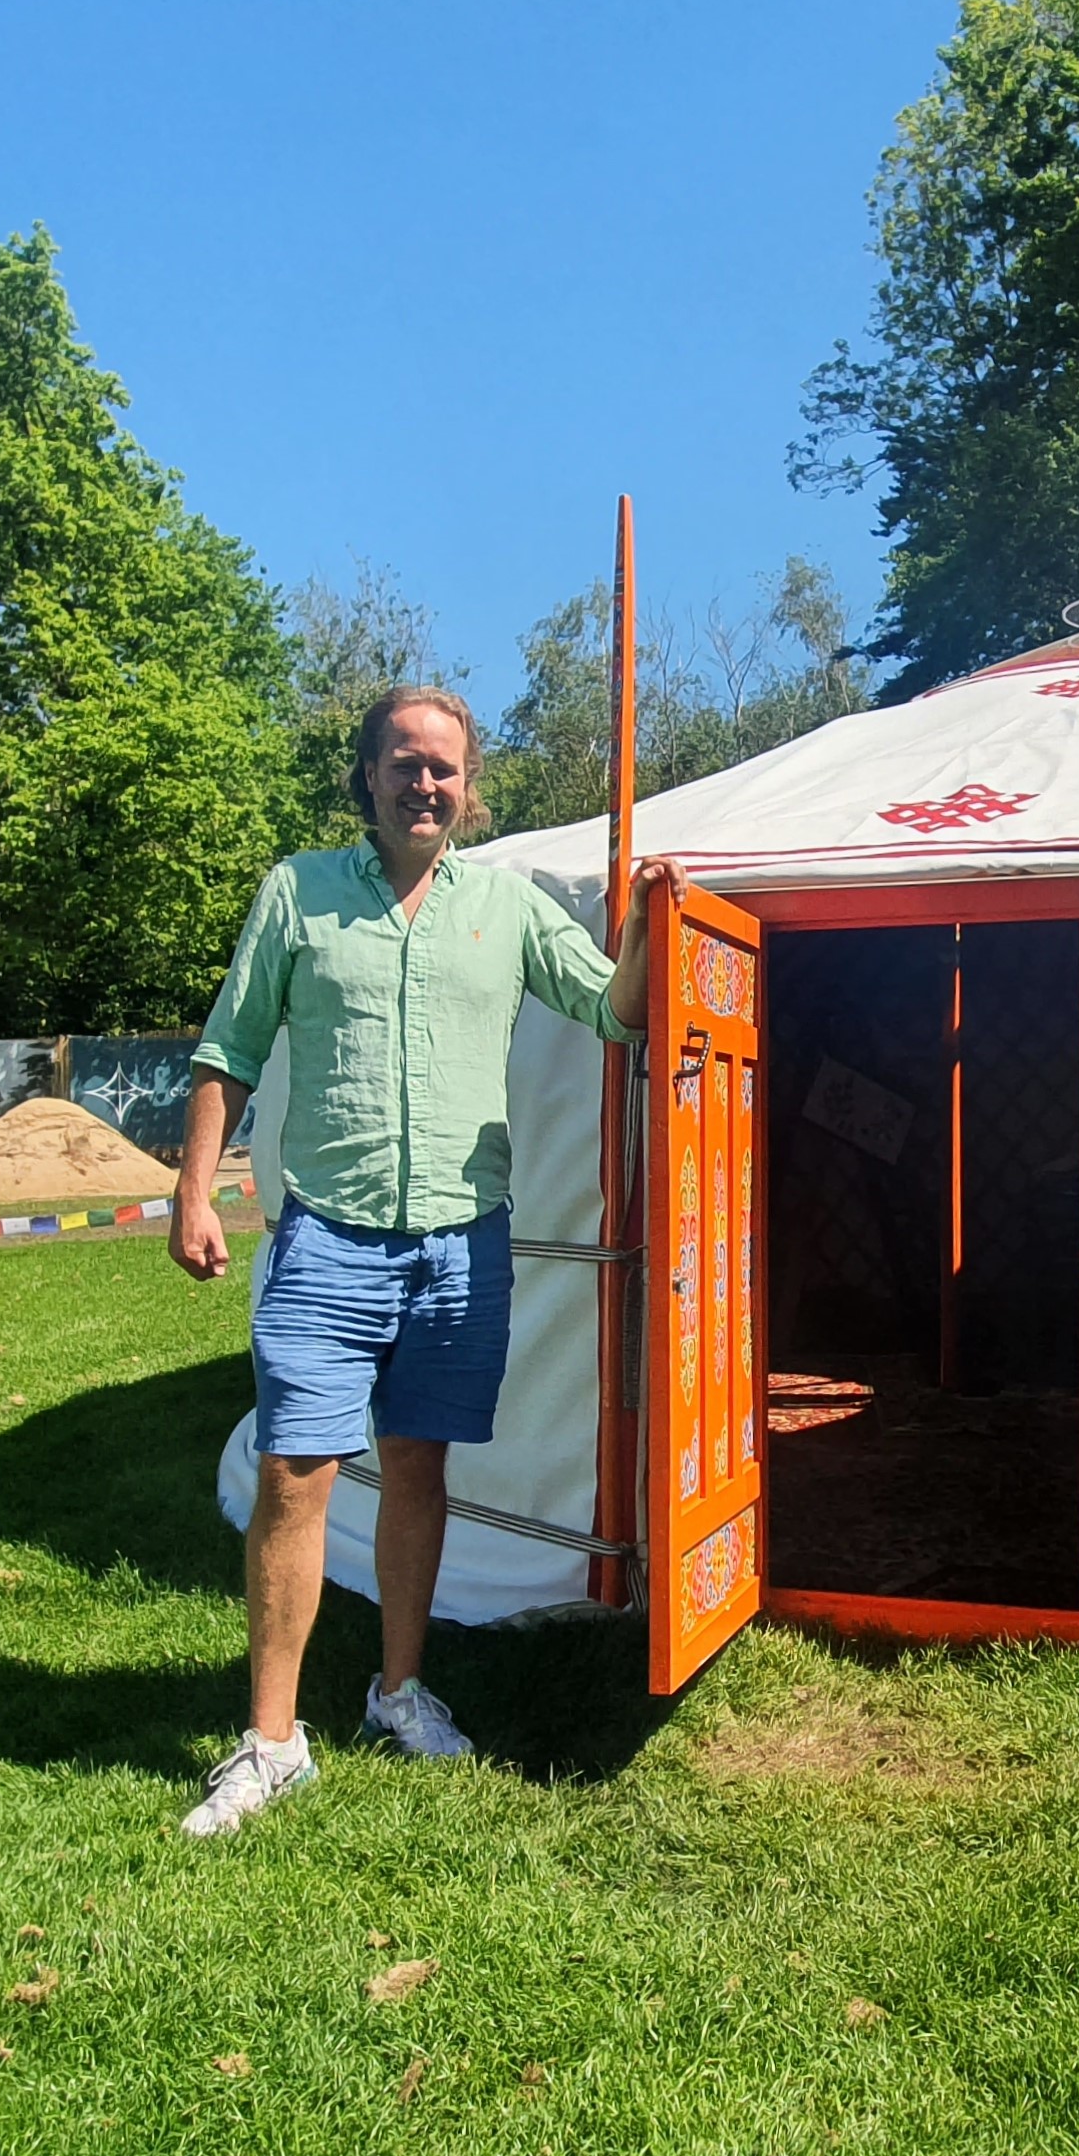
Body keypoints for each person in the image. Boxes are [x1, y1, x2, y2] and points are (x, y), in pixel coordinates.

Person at [166, 684, 658, 1835]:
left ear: (470, 784)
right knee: (297, 1472)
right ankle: (272, 1739)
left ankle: (398, 1689)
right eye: (403, 762)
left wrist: (654, 920)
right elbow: (229, 1046)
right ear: (368, 776)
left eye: (443, 765)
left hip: (459, 1238)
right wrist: (192, 1184)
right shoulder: (298, 892)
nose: (423, 783)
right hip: (327, 1230)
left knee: (422, 1467)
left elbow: (615, 1013)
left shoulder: (512, 906)